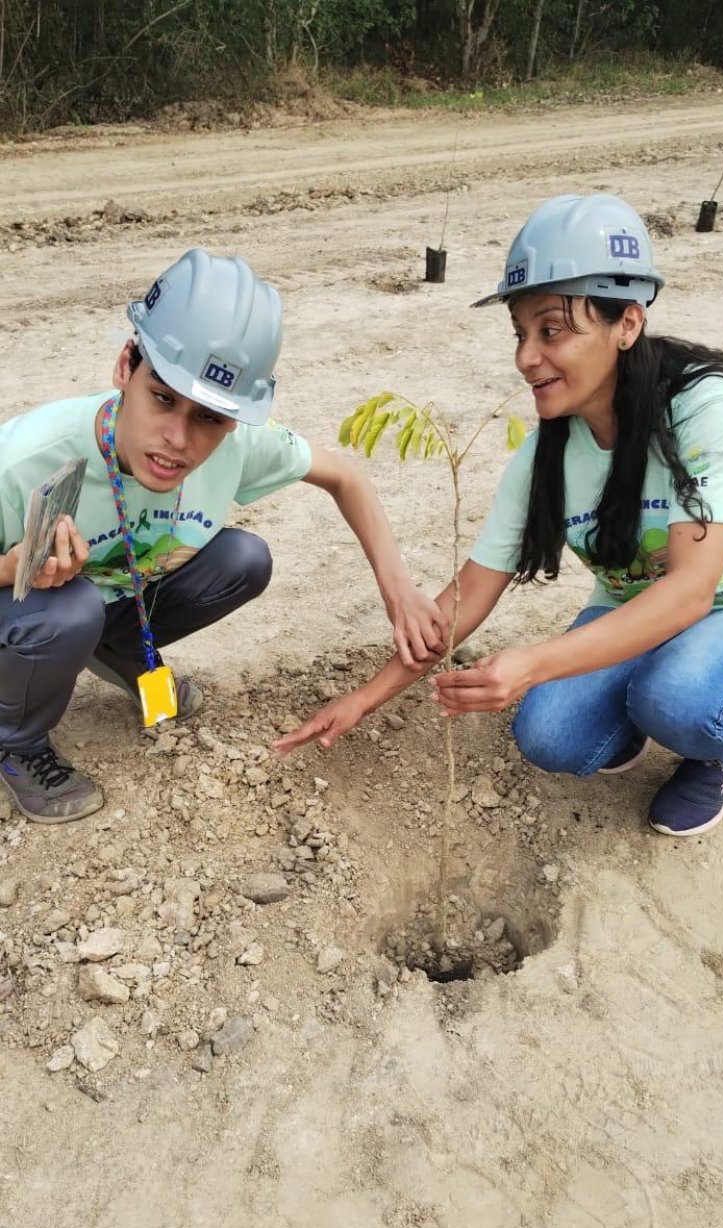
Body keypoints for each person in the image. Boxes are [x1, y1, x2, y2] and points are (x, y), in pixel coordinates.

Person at [276, 194, 723, 838]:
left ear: (627, 323)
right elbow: (469, 594)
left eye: (552, 330)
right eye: (521, 333)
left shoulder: (702, 409)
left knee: (678, 698)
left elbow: (693, 589)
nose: (527, 357)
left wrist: (530, 663)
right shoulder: (547, 453)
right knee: (550, 736)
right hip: (637, 608)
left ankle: (715, 746)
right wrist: (360, 701)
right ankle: (641, 706)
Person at [0, 248, 448, 824]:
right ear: (125, 367)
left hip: (115, 599)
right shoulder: (27, 458)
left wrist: (400, 592)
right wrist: (15, 568)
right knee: (72, 607)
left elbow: (345, 475)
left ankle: (121, 651)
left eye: (210, 417)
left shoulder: (235, 449)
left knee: (243, 559)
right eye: (162, 398)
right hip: (25, 609)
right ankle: (15, 739)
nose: (177, 440)